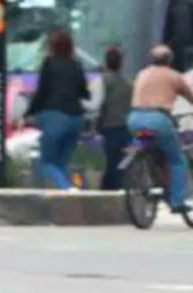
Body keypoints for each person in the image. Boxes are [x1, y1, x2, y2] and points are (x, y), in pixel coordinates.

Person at [128, 44, 193, 212]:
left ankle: (148, 172)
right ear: (170, 60)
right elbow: (190, 97)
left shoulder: (141, 73)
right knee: (177, 159)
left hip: (135, 119)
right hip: (158, 120)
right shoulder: (174, 76)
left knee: (145, 145)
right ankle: (177, 201)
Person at [25, 30, 91, 190]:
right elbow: (84, 92)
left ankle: (67, 188)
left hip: (54, 117)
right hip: (76, 119)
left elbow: (41, 91)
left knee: (47, 162)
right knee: (62, 162)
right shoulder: (76, 64)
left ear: (52, 47)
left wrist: (29, 113)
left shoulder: (49, 63)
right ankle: (72, 191)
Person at [96, 46, 132, 191]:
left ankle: (108, 189)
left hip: (108, 126)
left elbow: (98, 104)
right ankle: (118, 188)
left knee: (110, 160)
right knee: (120, 161)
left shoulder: (102, 81)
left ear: (106, 62)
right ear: (121, 63)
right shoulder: (128, 83)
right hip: (125, 126)